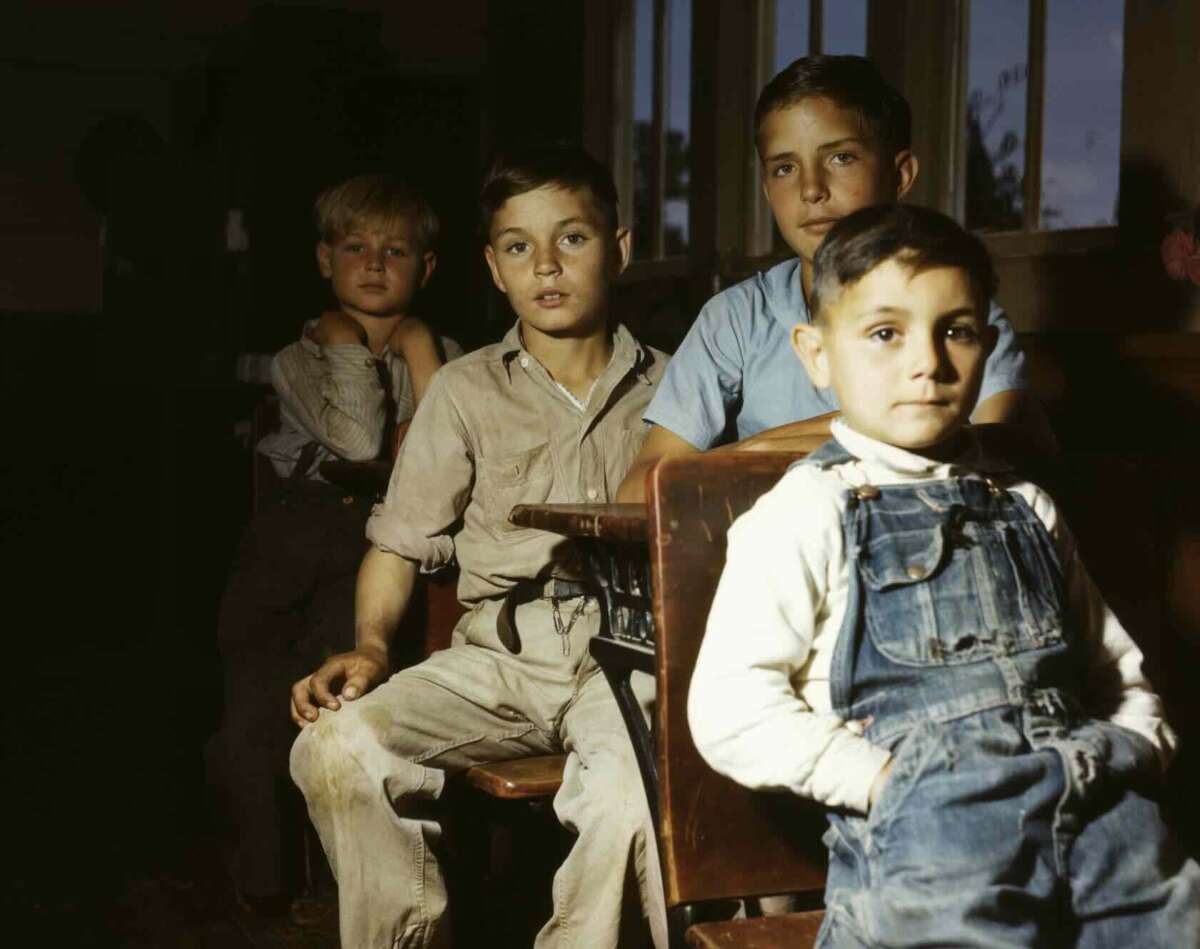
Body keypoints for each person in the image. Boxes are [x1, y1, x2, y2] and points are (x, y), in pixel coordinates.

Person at [687, 204, 1200, 946]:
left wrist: (1137, 741)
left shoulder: (1025, 505)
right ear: (817, 352)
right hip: (936, 841)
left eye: (955, 329)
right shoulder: (807, 512)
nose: (927, 362)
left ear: (987, 345)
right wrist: (880, 780)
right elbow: (732, 710)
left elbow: (1111, 663)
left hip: (1098, 810)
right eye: (885, 333)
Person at [288, 144, 670, 949]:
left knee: (628, 806)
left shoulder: (680, 386)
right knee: (335, 745)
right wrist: (366, 646)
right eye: (518, 246)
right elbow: (397, 543)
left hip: (627, 654)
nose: (546, 265)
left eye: (573, 238)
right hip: (500, 654)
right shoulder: (465, 390)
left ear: (621, 247)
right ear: (494, 268)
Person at [618, 55, 1054, 502]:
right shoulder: (735, 318)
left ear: (900, 175)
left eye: (841, 158)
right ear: (768, 191)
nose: (811, 190)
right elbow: (639, 489)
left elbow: (998, 451)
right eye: (784, 168)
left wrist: (758, 451)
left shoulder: (952, 315)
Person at [208, 173, 452, 911]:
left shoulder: (444, 355)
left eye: (397, 249)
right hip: (291, 534)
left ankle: (348, 886)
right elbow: (356, 436)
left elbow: (448, 442)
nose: (376, 263)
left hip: (375, 548)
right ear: (325, 260)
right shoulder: (300, 356)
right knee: (252, 709)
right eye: (356, 247)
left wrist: (416, 346)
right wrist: (348, 345)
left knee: (343, 704)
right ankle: (262, 884)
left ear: (426, 268)